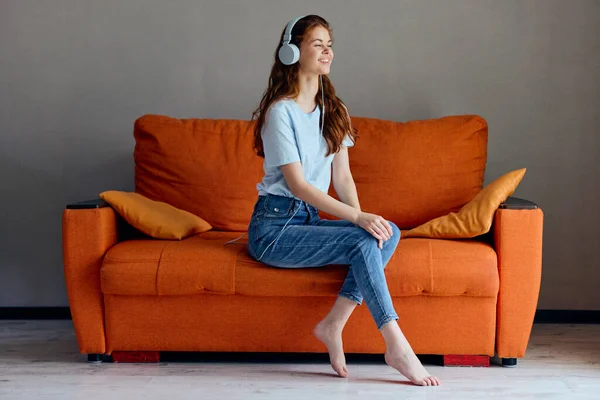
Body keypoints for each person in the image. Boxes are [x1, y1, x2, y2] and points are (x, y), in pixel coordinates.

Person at [247, 15, 441, 387]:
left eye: (329, 44)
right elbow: (300, 186)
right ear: (293, 51)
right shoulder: (279, 112)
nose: (327, 51)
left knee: (387, 232)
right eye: (317, 44)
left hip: (308, 221)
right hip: (274, 229)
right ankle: (396, 345)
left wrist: (364, 218)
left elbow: (343, 178)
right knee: (362, 235)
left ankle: (334, 322)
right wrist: (356, 218)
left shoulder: (335, 111)